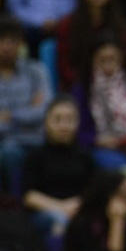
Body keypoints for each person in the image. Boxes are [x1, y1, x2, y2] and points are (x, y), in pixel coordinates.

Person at [0, 15, 52, 184]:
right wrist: (29, 111)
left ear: (21, 44)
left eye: (13, 41)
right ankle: (16, 195)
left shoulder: (36, 71)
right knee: (11, 153)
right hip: (5, 143)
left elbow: (45, 112)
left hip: (37, 138)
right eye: (1, 41)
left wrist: (9, 116)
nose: (7, 47)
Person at [72, 38, 126, 170]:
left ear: (121, 60)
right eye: (102, 60)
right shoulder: (82, 89)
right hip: (99, 147)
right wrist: (97, 140)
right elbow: (78, 131)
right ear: (93, 61)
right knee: (115, 165)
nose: (108, 64)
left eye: (112, 59)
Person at [21, 97, 96, 236]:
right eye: (57, 119)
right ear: (46, 122)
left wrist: (77, 206)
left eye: (70, 120)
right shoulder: (35, 156)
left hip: (78, 211)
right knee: (60, 220)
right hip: (45, 213)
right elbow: (29, 196)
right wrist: (61, 208)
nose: (64, 126)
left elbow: (94, 191)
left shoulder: (86, 156)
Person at [54, 0, 126, 91]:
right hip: (79, 87)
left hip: (114, 86)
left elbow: (125, 63)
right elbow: (65, 67)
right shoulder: (67, 25)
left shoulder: (120, 25)